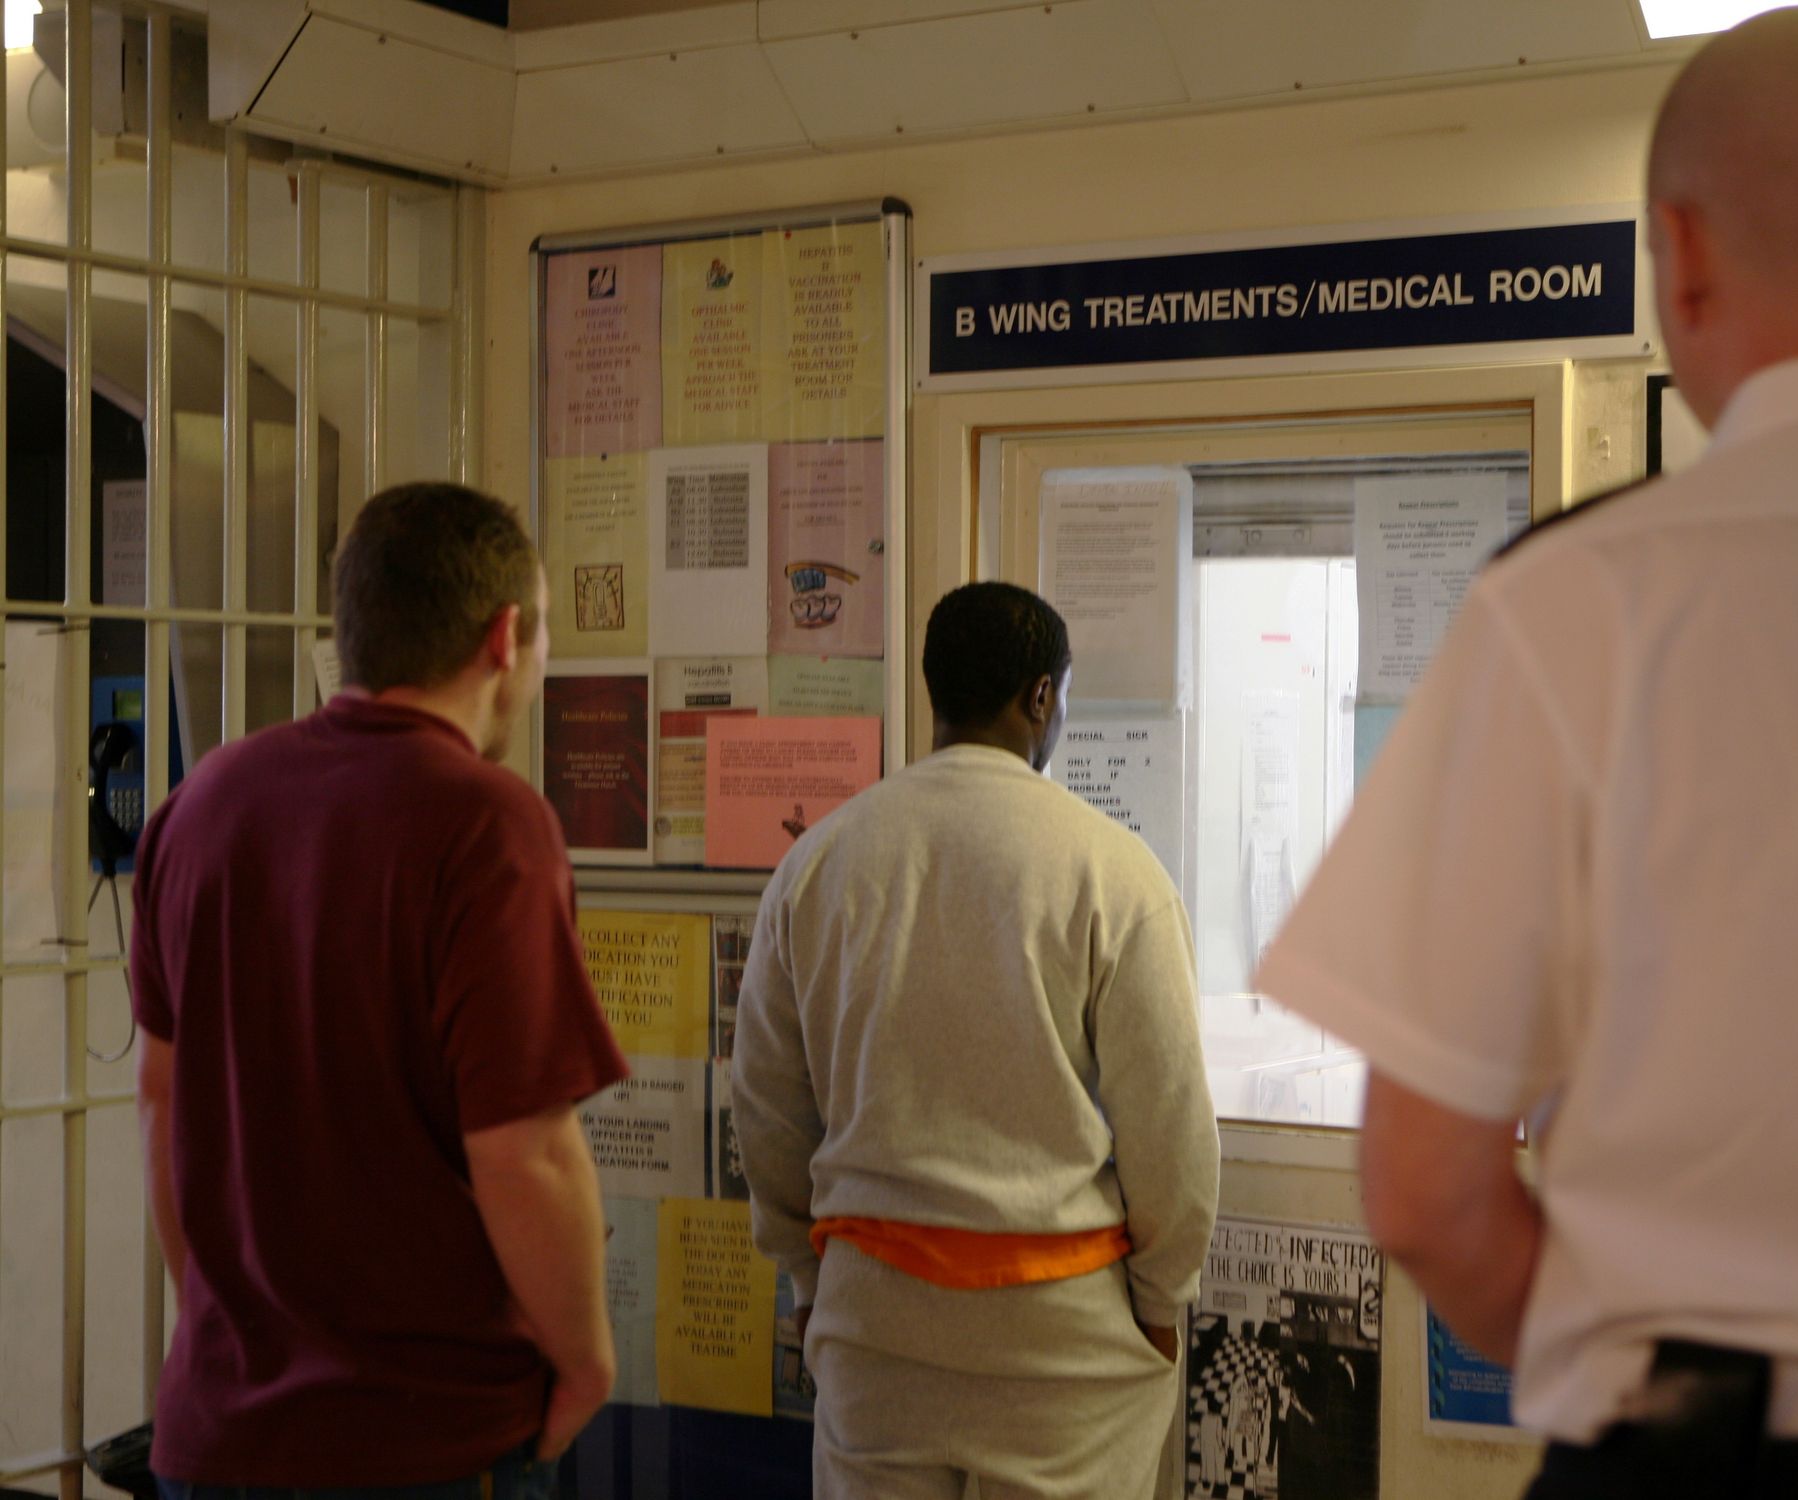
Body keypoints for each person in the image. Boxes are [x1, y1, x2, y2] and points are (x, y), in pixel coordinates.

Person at [1256, 8, 1798, 1495]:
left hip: (1691, 1453)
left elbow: (1424, 1193)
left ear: (1679, 248)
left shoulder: (1575, 609)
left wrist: (1631, 1375)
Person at [131, 482, 629, 1497]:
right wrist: (584, 1361)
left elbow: (160, 1096)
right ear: (505, 637)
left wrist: (232, 1331)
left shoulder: (203, 802)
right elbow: (524, 1149)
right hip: (419, 1438)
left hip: (216, 1434)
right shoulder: (486, 822)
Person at [734, 580, 1220, 1499]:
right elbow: (1172, 1126)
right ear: (1042, 697)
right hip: (1058, 1341)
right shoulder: (1114, 874)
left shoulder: (818, 866)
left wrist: (805, 1276)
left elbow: (765, 1106)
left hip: (874, 1324)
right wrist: (1163, 1303)